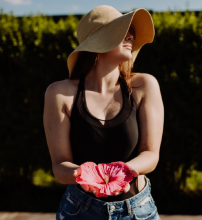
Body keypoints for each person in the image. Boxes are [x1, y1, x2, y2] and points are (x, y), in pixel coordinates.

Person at [43, 5, 164, 220]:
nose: (131, 36)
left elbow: (151, 154)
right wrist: (86, 176)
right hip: (80, 211)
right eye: (120, 31)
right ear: (97, 43)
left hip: (138, 210)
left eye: (131, 32)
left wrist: (119, 173)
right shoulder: (59, 93)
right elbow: (59, 164)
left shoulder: (145, 85)